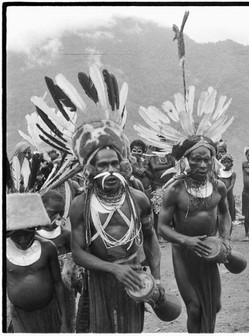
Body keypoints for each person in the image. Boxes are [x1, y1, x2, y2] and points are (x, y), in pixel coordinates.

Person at [69, 120, 162, 333]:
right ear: (90, 169)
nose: (110, 170)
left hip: (134, 274)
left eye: (114, 163)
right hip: (99, 278)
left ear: (123, 165)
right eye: (103, 165)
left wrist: (156, 277)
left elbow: (150, 238)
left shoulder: (138, 199)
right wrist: (113, 269)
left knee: (132, 330)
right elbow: (77, 253)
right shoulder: (80, 205)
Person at [158, 135, 232, 333]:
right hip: (184, 253)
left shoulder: (218, 187)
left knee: (214, 306)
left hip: (210, 251)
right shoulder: (174, 190)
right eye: (196, 159)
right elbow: (162, 227)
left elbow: (225, 214)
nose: (202, 164)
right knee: (195, 308)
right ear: (185, 161)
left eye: (207, 159)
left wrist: (224, 239)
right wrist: (186, 240)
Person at [6, 193, 70, 332]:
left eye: (27, 234)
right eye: (17, 235)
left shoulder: (48, 248)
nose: (23, 240)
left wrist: (64, 321)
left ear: (35, 228)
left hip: (49, 312)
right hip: (20, 317)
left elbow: (58, 283)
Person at [38, 190, 77, 332]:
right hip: (42, 293)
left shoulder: (66, 235)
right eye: (52, 213)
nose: (58, 217)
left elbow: (75, 265)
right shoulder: (31, 237)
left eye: (61, 213)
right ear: (40, 209)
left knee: (65, 324)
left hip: (65, 293)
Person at [218, 153, 237, 224]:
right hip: (220, 195)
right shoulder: (219, 172)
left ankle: (229, 222)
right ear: (222, 163)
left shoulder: (233, 173)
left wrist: (225, 192)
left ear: (231, 164)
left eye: (228, 162)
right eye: (224, 162)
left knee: (229, 208)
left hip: (228, 195)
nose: (226, 164)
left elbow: (232, 185)